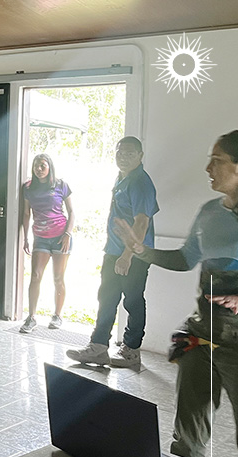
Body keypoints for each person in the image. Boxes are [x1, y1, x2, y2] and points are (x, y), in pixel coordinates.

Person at [113, 130, 238, 457]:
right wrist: (140, 250)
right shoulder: (209, 212)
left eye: (218, 160)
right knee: (187, 437)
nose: (208, 167)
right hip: (201, 335)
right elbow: (185, 258)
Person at [68, 136, 158, 368]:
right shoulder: (122, 178)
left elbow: (141, 224)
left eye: (130, 153)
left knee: (133, 301)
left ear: (140, 156)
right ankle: (98, 348)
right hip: (114, 251)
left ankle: (131, 351)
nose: (123, 157)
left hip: (134, 256)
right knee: (106, 298)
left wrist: (126, 256)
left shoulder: (141, 183)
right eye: (120, 152)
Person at [20, 154, 74, 333]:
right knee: (36, 276)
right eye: (36, 165)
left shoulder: (60, 185)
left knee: (58, 278)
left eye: (43, 165)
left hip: (60, 237)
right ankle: (31, 317)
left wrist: (67, 234)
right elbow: (26, 214)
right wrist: (26, 237)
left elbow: (72, 212)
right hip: (40, 237)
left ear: (49, 167)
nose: (39, 169)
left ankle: (57, 316)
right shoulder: (28, 187)